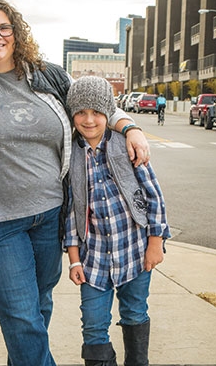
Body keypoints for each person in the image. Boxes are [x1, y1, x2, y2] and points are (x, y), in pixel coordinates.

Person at [0, 0, 150, 366]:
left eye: (4, 28)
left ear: (16, 33)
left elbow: (98, 106)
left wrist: (130, 128)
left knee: (38, 303)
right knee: (21, 315)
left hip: (50, 214)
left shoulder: (48, 74)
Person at [63, 76, 170, 366]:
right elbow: (72, 213)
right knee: (94, 327)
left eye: (97, 112)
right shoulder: (70, 154)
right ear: (72, 114)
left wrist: (155, 243)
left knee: (135, 313)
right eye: (81, 112)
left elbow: (154, 197)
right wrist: (74, 260)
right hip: (93, 261)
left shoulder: (126, 146)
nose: (89, 120)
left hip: (134, 253)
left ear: (108, 114)